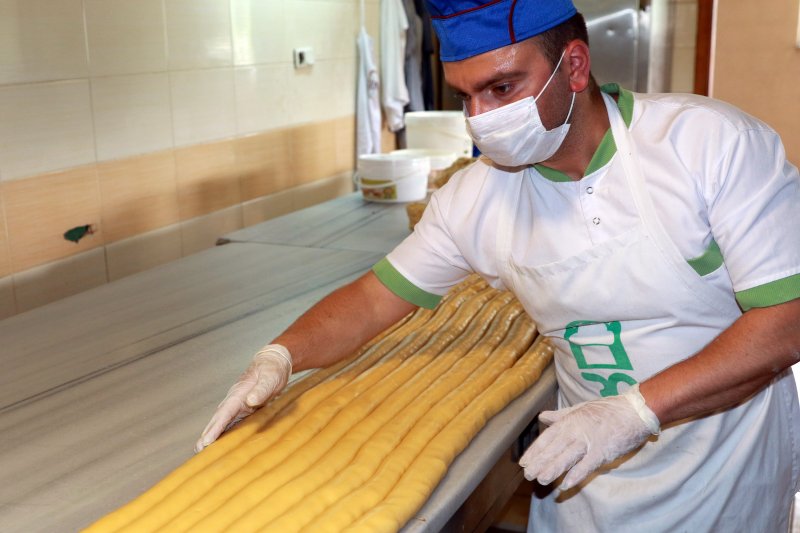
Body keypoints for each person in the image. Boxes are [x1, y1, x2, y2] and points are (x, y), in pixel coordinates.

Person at [196, 0, 800, 529]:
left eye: (502, 88)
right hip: (583, 482)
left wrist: (635, 411)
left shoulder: (706, 145)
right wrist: (280, 355)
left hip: (724, 478)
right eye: (466, 96)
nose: (481, 117)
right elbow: (373, 299)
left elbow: (786, 322)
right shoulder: (475, 198)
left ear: (575, 66)